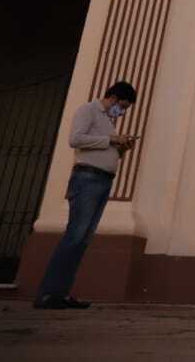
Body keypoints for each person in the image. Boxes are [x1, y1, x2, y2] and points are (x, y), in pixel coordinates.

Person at [33, 80, 138, 310]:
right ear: (114, 97)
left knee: (82, 240)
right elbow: (75, 139)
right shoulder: (88, 110)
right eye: (123, 106)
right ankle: (48, 293)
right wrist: (111, 139)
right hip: (86, 180)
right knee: (74, 236)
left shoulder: (108, 122)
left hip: (103, 181)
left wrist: (121, 148)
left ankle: (62, 292)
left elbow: (105, 149)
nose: (122, 112)